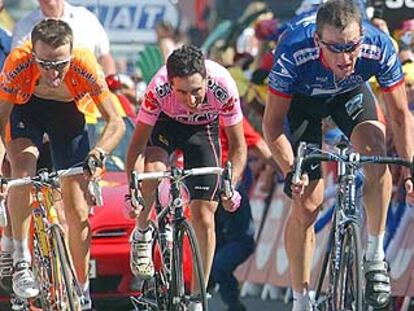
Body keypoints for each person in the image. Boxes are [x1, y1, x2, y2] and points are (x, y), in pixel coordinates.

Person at [262, 1, 414, 310]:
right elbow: (272, 124)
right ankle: (301, 299)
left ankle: (374, 255)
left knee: (376, 151)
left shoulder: (378, 46)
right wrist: (293, 169)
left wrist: (410, 169)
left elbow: (399, 117)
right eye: (336, 48)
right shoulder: (293, 50)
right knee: (307, 203)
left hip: (349, 95)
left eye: (352, 47)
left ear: (362, 36)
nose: (346, 58)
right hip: (302, 103)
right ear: (318, 41)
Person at [0, 19, 125, 310]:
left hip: (67, 118)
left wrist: (99, 153)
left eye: (60, 64)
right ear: (33, 55)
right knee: (22, 171)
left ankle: (81, 290)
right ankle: (21, 261)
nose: (53, 74)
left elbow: (116, 122)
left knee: (78, 209)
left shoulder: (84, 63)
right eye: (45, 64)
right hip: (26, 113)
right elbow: (1, 117)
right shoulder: (17, 62)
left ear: (71, 54)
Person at [126, 45, 247, 311]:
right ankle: (143, 232)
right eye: (182, 92)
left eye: (196, 91)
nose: (191, 101)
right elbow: (136, 146)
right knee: (152, 172)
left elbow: (238, 147)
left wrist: (230, 186)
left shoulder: (223, 85)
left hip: (202, 130)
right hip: (165, 126)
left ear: (206, 79)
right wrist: (132, 188)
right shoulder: (157, 88)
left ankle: (197, 298)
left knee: (205, 215)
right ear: (170, 84)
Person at [211, 117, 276, 311]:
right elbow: (258, 144)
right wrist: (287, 172)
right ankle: (223, 292)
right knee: (237, 244)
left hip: (211, 191)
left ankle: (224, 295)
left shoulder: (187, 110)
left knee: (218, 247)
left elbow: (256, 143)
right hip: (221, 190)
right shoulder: (224, 111)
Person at [12, 0, 116, 75]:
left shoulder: (86, 18)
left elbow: (104, 57)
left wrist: (109, 85)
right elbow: (17, 65)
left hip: (89, 97)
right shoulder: (23, 27)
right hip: (41, 98)